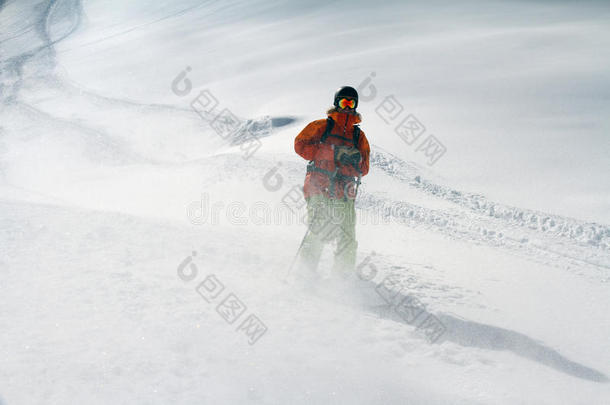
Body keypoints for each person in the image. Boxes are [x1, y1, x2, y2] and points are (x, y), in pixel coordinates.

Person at [294, 86, 371, 279]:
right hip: (318, 185)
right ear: (336, 103)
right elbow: (299, 145)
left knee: (347, 237)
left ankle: (342, 278)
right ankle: (305, 274)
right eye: (343, 102)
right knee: (319, 230)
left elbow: (365, 168)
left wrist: (352, 161)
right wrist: (331, 153)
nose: (346, 107)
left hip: (344, 191)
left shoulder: (358, 136)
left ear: (355, 106)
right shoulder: (322, 126)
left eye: (350, 103)